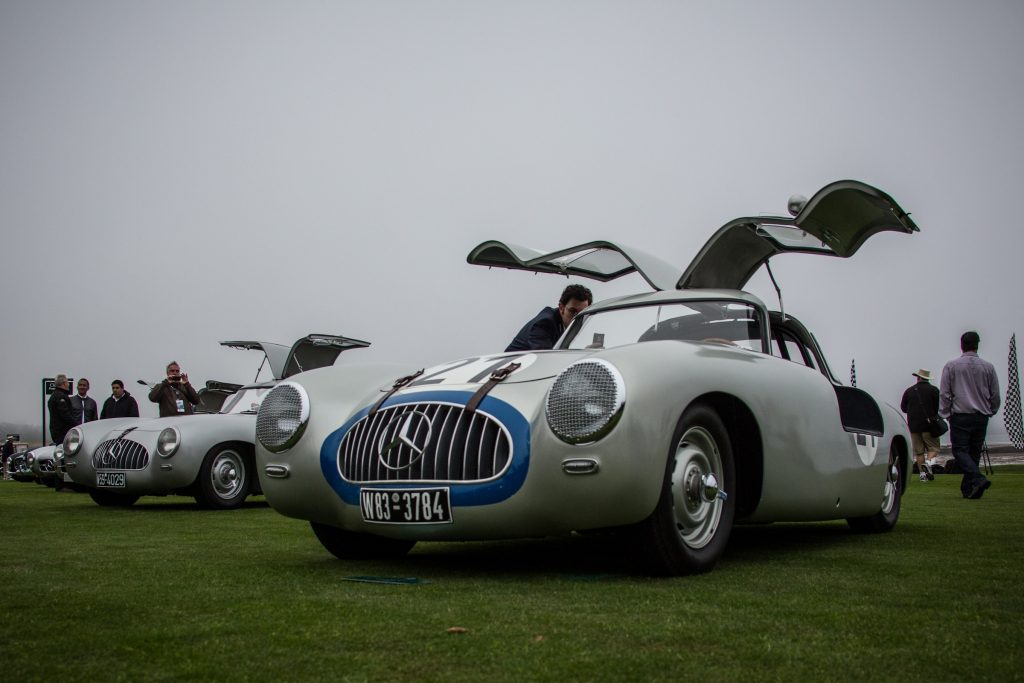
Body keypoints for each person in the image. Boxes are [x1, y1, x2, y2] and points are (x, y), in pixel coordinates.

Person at [939, 331, 1001, 499]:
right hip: (981, 414)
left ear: (962, 345)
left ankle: (977, 478)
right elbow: (994, 393)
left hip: (960, 414)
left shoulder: (952, 366)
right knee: (974, 451)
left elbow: (945, 393)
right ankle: (969, 488)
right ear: (977, 345)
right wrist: (992, 410)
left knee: (959, 450)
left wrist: (946, 413)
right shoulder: (988, 367)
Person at [505, 284, 593, 352]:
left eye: (582, 313)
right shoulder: (545, 323)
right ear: (561, 308)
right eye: (572, 311)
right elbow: (547, 359)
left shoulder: (561, 323)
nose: (577, 317)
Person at [900, 368, 941, 482]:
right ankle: (928, 463)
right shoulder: (934, 390)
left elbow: (903, 408)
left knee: (919, 452)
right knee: (934, 448)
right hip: (929, 426)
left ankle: (923, 476)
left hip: (913, 426)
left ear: (918, 378)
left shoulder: (909, 391)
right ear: (927, 378)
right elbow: (937, 408)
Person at [47, 373, 76, 446]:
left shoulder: (54, 395)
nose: (68, 384)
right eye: (67, 382)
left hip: (56, 431)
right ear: (64, 383)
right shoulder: (61, 397)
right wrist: (77, 425)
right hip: (62, 432)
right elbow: (65, 414)